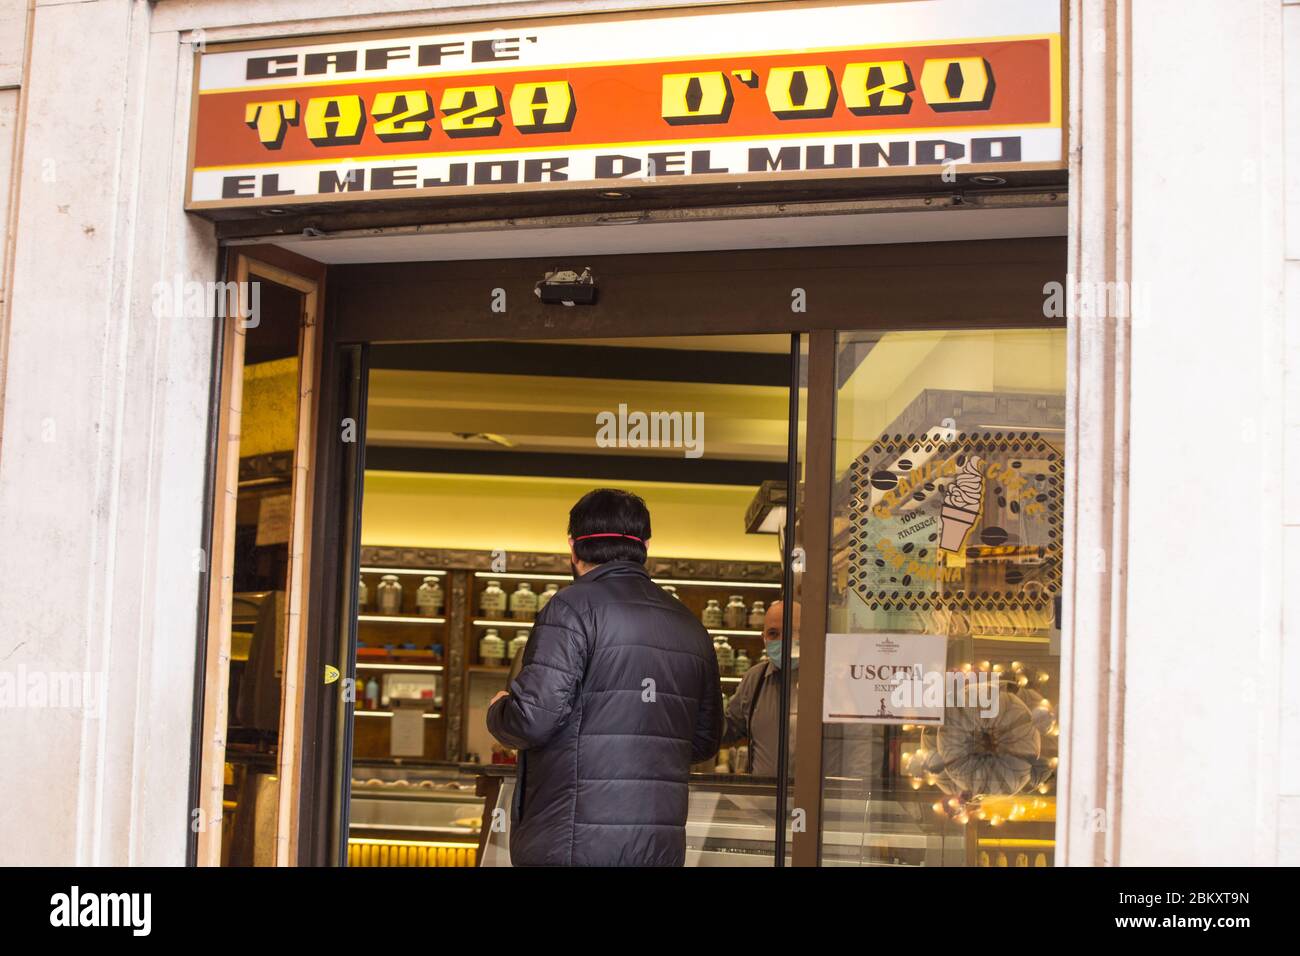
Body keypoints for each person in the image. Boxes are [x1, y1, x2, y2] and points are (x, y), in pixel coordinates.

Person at [486, 488, 722, 866]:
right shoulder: (688, 623)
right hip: (658, 850)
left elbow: (532, 720)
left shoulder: (571, 609)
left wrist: (499, 710)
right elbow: (705, 740)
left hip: (572, 844)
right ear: (644, 546)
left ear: (572, 548)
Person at [720, 600, 799, 776]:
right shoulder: (755, 678)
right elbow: (728, 728)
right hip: (763, 799)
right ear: (763, 638)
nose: (782, 640)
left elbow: (856, 746)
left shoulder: (827, 680)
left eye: (791, 632)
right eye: (773, 634)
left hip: (816, 799)